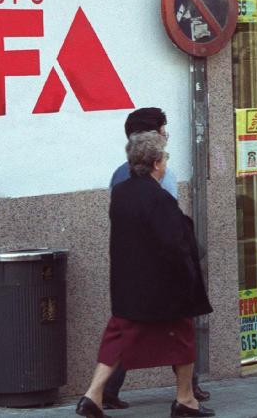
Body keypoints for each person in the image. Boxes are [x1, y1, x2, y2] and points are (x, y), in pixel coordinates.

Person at [77, 131, 214, 418]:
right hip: (161, 288)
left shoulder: (122, 194)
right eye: (164, 158)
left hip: (128, 284)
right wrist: (187, 277)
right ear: (155, 164)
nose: (165, 163)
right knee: (184, 336)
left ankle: (93, 395)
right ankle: (185, 399)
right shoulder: (158, 198)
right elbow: (173, 245)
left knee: (118, 336)